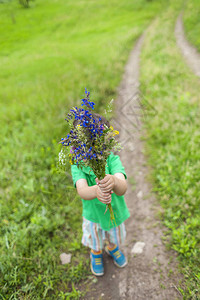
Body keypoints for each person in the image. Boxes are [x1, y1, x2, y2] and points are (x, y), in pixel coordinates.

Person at [71, 115, 130, 276]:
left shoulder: (112, 160)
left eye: (99, 144)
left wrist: (114, 181)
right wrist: (96, 191)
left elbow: (122, 188)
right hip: (94, 215)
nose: (95, 150)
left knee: (114, 235)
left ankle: (111, 247)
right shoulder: (77, 166)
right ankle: (96, 253)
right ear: (78, 146)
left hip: (114, 211)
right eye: (88, 145)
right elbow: (82, 191)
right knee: (95, 238)